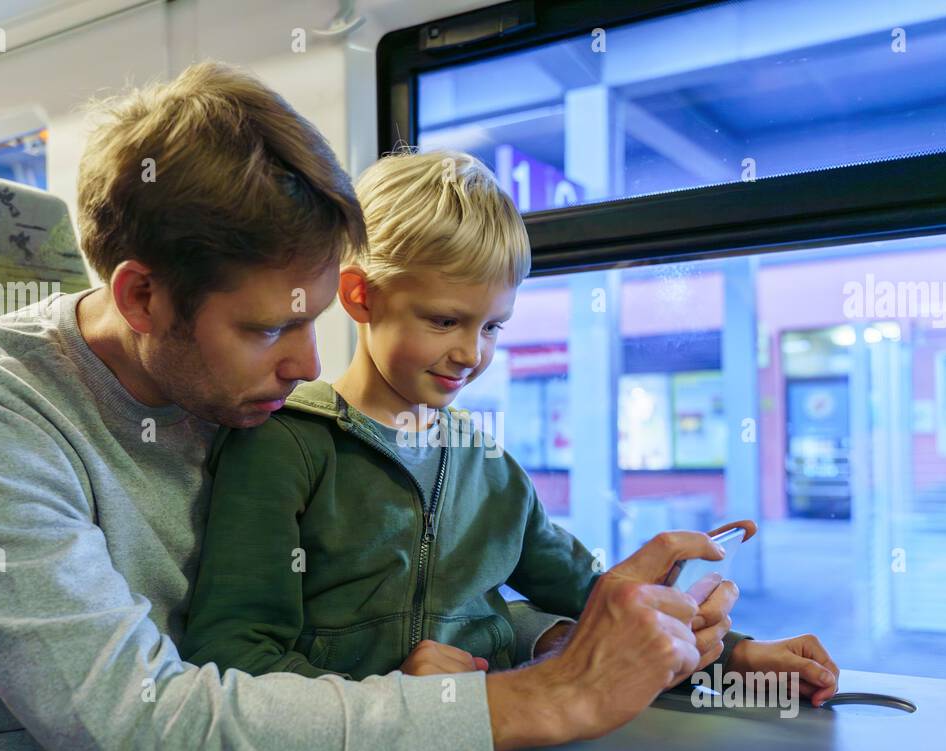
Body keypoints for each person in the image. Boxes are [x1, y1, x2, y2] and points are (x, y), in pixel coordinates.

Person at [0, 61, 837, 751]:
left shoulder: (246, 396)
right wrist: (534, 696)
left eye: (313, 318)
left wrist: (648, 644)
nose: (305, 364)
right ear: (142, 297)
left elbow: (404, 587)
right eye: (268, 327)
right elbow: (144, 742)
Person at [182, 148, 766, 684]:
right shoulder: (284, 447)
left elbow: (594, 597)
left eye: (491, 327)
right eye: (443, 321)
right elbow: (234, 653)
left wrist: (736, 654)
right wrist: (391, 698)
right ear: (361, 297)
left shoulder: (492, 468)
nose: (471, 354)